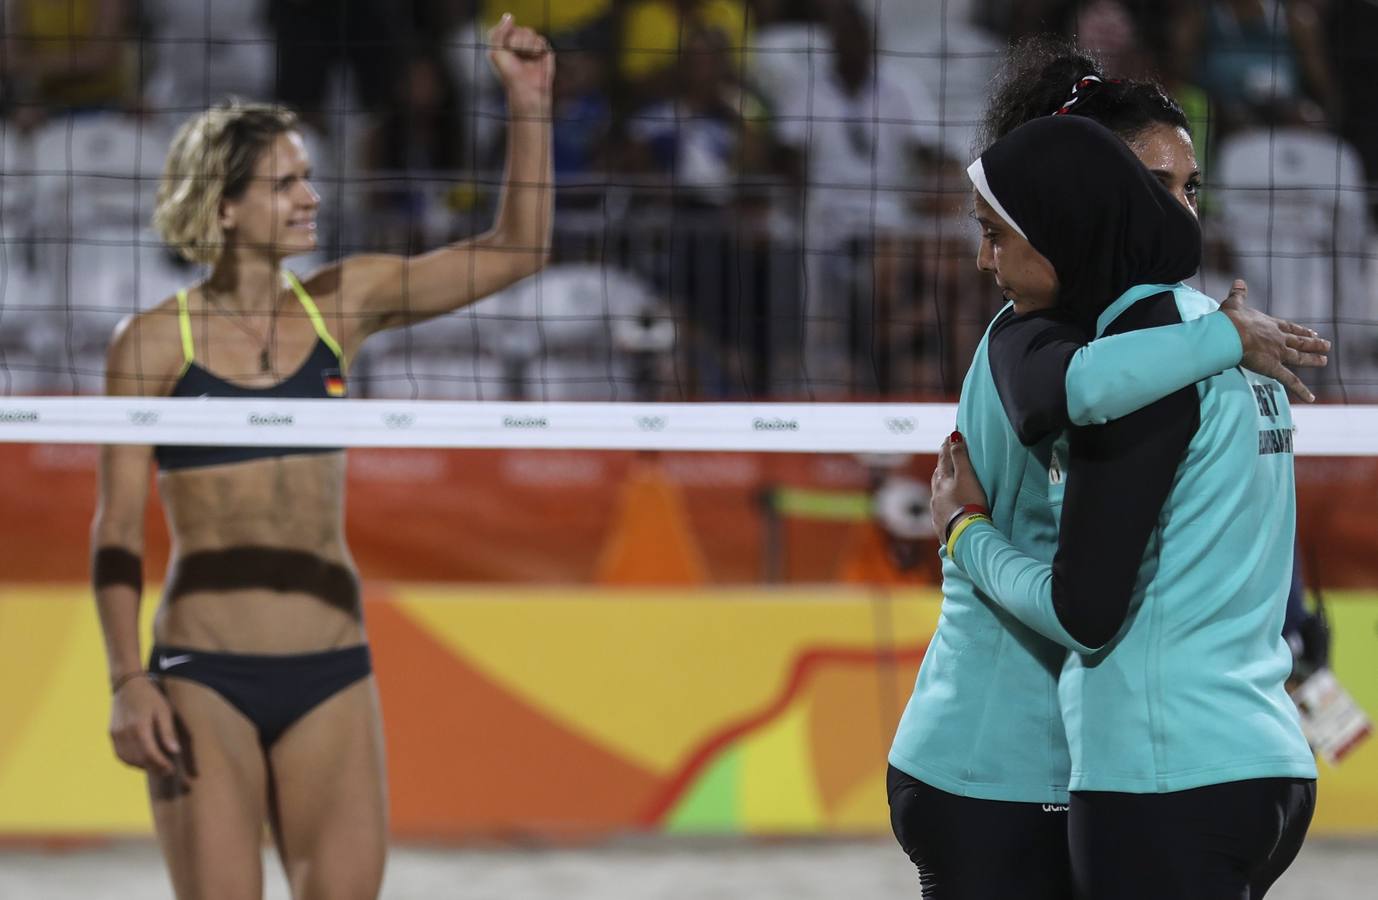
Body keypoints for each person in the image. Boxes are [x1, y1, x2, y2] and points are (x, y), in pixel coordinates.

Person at [89, 16, 552, 900]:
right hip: (202, 671)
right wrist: (124, 681)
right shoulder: (152, 344)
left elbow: (518, 250)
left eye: (309, 177)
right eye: (285, 183)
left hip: (332, 668)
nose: (311, 196)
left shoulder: (344, 304)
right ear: (223, 206)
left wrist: (528, 107)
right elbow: (114, 528)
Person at [886, 39, 1329, 898]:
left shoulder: (1160, 340)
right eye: (1151, 188)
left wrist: (1292, 611)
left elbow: (1205, 508)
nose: (1177, 214)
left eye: (1188, 189)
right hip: (1000, 759)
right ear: (1084, 195)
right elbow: (1078, 397)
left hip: (1130, 760)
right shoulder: (1031, 340)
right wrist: (961, 530)